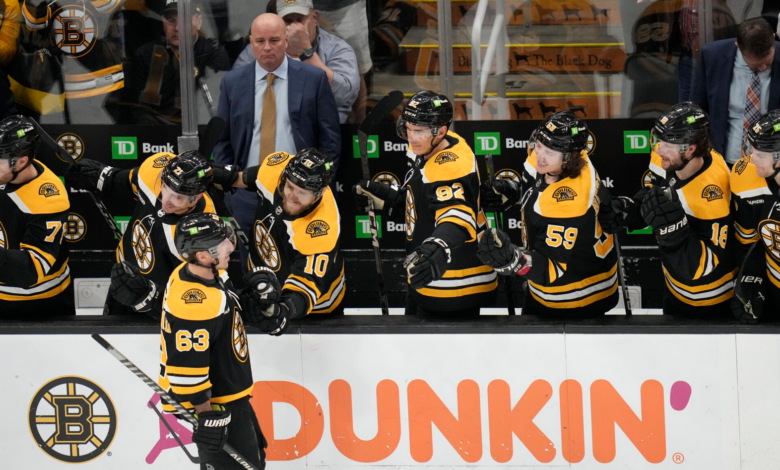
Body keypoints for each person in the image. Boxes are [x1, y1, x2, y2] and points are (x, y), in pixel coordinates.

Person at [352, 90, 496, 317]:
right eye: (408, 128)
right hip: (429, 279)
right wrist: (388, 201)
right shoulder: (438, 145)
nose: (411, 137)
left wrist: (438, 246)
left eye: (418, 131)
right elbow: (424, 204)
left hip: (453, 283)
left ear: (441, 131)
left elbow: (456, 217)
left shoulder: (449, 166)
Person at [213, 13, 340, 266]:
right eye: (260, 41)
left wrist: (315, 186)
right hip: (248, 193)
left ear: (285, 41)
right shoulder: (232, 82)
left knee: (302, 264)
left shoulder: (313, 79)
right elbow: (222, 139)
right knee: (255, 270)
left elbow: (330, 139)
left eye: (274, 40)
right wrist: (231, 187)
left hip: (300, 193)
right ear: (251, 42)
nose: (267, 47)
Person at [476, 112, 619, 316]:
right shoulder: (560, 156)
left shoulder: (569, 200)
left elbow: (551, 270)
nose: (540, 156)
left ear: (570, 157)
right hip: (556, 287)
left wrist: (513, 260)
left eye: (549, 152)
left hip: (575, 297)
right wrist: (511, 191)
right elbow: (534, 187)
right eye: (539, 145)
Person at [600, 102, 735, 316]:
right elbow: (659, 195)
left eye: (667, 145)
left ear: (690, 149)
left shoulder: (711, 197)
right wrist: (630, 210)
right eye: (658, 140)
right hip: (675, 291)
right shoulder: (673, 160)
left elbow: (706, 266)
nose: (658, 149)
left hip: (709, 302)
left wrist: (674, 234)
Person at [159, 212, 267, 470]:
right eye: (222, 244)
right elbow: (187, 371)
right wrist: (207, 415)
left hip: (230, 393)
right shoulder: (195, 302)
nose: (231, 246)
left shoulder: (201, 272)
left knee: (255, 458)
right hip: (217, 404)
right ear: (202, 255)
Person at [64, 150, 220, 316]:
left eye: (177, 197)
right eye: (165, 187)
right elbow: (125, 181)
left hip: (158, 306)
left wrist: (150, 298)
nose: (166, 200)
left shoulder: (205, 236)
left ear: (197, 197)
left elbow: (199, 300)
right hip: (122, 279)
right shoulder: (154, 171)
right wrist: (101, 177)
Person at [219, 148, 344, 323]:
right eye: (290, 187)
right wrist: (223, 178)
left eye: (301, 192)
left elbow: (305, 288)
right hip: (265, 285)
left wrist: (281, 311)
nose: (292, 196)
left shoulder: (321, 230)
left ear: (319, 193)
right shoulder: (277, 170)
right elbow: (254, 177)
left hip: (315, 309)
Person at [232, 0, 360, 124]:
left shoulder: (337, 48)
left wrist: (305, 52)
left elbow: (344, 95)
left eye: (300, 19)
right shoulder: (260, 48)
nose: (295, 28)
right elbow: (234, 91)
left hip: (321, 131)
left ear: (314, 17)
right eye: (287, 21)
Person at [0, 115, 72, 315]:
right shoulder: (4, 171)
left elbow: (32, 270)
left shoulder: (48, 198)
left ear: (21, 161)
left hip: (36, 304)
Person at [123, 0, 230, 124]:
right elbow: (135, 108)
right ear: (163, 23)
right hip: (154, 133)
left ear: (198, 22)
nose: (177, 28)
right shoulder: (145, 54)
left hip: (198, 130)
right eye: (170, 21)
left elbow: (221, 102)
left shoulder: (210, 51)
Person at [691, 17, 780, 165]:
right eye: (756, 65)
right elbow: (697, 110)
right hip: (724, 163)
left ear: (772, 38)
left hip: (773, 166)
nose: (764, 68)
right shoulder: (712, 56)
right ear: (738, 46)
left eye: (767, 62)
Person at [730, 110, 780, 323]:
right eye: (752, 152)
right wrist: (752, 277)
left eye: (760, 155)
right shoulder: (745, 177)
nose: (752, 161)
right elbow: (748, 243)